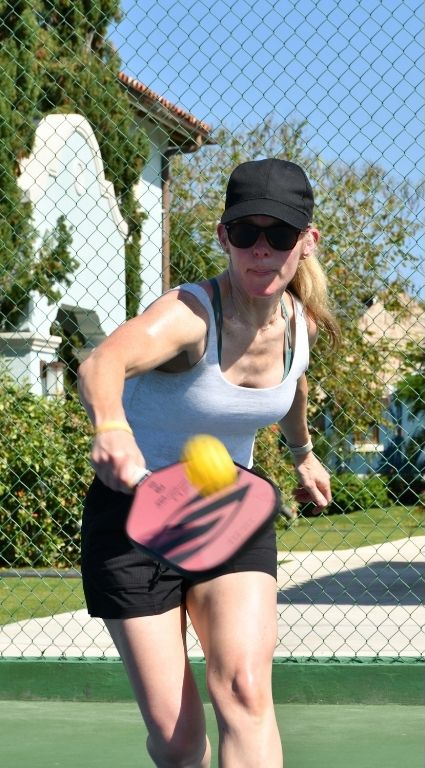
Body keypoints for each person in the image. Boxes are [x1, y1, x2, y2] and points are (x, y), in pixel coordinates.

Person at [77, 158, 338, 767]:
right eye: (246, 233)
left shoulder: (301, 327)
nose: (262, 250)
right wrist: (112, 427)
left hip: (226, 508)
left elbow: (293, 386)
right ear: (224, 237)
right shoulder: (190, 316)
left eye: (280, 235)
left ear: (307, 241)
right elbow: (102, 363)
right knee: (179, 740)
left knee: (246, 690)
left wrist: (303, 454)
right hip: (134, 520)